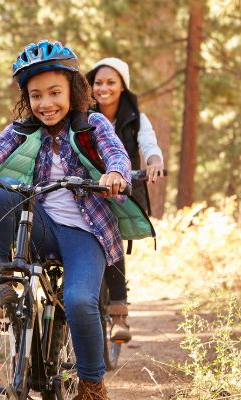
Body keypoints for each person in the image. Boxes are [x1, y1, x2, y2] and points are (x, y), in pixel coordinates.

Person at [0, 40, 130, 398]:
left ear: (73, 90)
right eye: (37, 95)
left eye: (55, 92)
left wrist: (116, 174)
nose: (46, 104)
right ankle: (0, 276)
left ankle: (91, 383)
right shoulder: (24, 129)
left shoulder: (93, 124)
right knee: (0, 186)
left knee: (77, 301)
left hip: (83, 232)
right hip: (39, 227)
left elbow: (115, 154)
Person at [86, 57, 165, 343]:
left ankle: (118, 312)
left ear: (122, 87)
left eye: (111, 82)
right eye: (98, 82)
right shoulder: (81, 113)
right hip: (85, 187)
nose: (103, 88)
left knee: (111, 231)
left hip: (122, 190)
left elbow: (150, 146)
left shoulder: (136, 118)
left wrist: (154, 163)